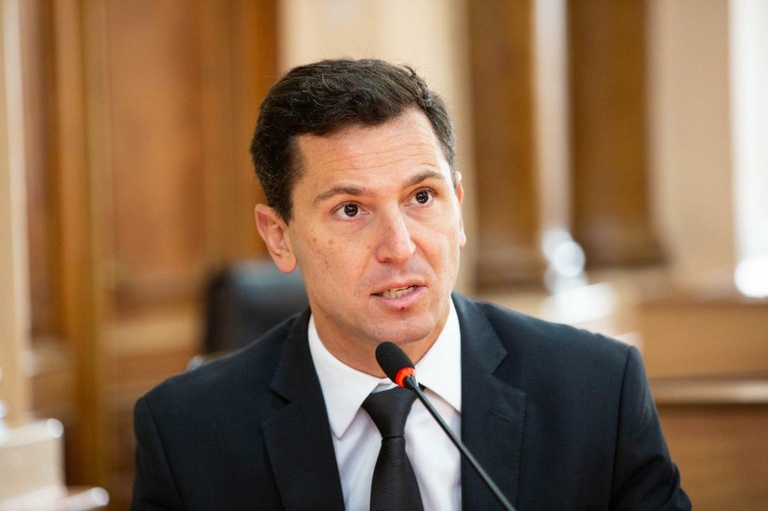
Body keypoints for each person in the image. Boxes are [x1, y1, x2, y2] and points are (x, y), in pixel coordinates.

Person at [131, 58, 690, 510]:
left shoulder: (598, 391)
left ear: (458, 208)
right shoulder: (188, 432)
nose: (399, 247)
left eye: (422, 197)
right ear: (279, 237)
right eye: (351, 209)